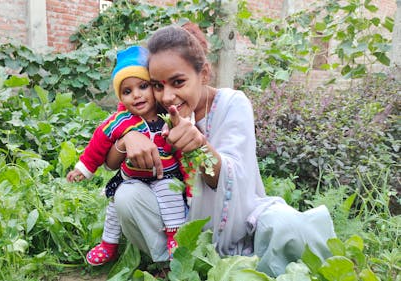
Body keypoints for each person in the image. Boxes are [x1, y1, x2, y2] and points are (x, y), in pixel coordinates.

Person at [108, 23, 336, 277]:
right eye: (158, 86)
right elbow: (109, 160)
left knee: (286, 225)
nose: (168, 96)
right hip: (178, 220)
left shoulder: (232, 103)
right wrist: (127, 138)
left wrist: (199, 146)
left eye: (178, 82)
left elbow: (234, 175)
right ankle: (173, 267)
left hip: (240, 218)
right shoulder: (155, 109)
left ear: (204, 74)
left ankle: (243, 265)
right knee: (127, 195)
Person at [66, 46, 187, 266]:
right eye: (127, 91)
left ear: (154, 87)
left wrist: (188, 184)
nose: (137, 95)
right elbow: (98, 143)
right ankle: (108, 244)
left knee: (172, 197)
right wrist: (84, 168)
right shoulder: (120, 121)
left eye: (143, 86)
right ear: (120, 96)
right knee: (114, 207)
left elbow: (181, 151)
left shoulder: (167, 117)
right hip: (132, 178)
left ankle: (174, 239)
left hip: (164, 175)